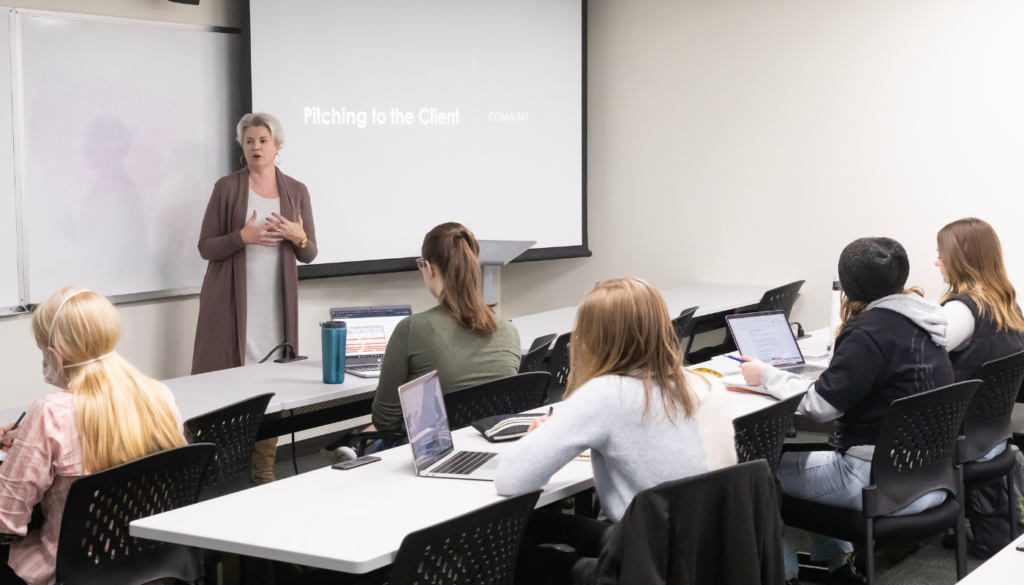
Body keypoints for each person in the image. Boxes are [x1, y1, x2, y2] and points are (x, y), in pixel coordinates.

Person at [494, 278, 738, 585]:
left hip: (646, 565)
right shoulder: (707, 384)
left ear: (593, 339)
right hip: (709, 553)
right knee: (541, 524)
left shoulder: (606, 394)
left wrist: (541, 438)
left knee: (517, 555)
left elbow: (510, 480)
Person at [738, 238, 954, 585]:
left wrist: (766, 376)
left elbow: (820, 408)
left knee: (754, 474)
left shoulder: (868, 332)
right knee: (804, 461)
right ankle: (840, 572)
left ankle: (784, 576)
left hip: (876, 481)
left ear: (848, 284)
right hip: (929, 477)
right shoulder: (927, 322)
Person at [0, 287, 186, 585]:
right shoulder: (159, 396)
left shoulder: (50, 413)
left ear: (52, 355)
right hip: (151, 562)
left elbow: (5, 523)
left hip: (68, 572)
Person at [192, 113, 318, 485]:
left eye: (263, 140)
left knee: (271, 390)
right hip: (230, 308)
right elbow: (205, 247)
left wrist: (299, 236)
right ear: (242, 147)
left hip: (276, 311)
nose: (256, 147)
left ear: (277, 147)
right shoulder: (227, 188)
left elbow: (309, 254)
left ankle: (263, 473)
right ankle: (221, 477)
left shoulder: (297, 190)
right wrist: (241, 237)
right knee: (227, 390)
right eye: (249, 141)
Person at [368, 223, 521, 435]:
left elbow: (385, 421)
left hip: (430, 456)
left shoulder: (411, 329)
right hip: (492, 452)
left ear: (430, 268)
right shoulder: (509, 331)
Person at [935, 218, 1024, 555]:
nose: (936, 261)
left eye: (940, 254)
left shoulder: (962, 311)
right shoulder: (1006, 302)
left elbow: (917, 359)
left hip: (961, 438)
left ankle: (895, 536)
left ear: (960, 258)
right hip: (992, 433)